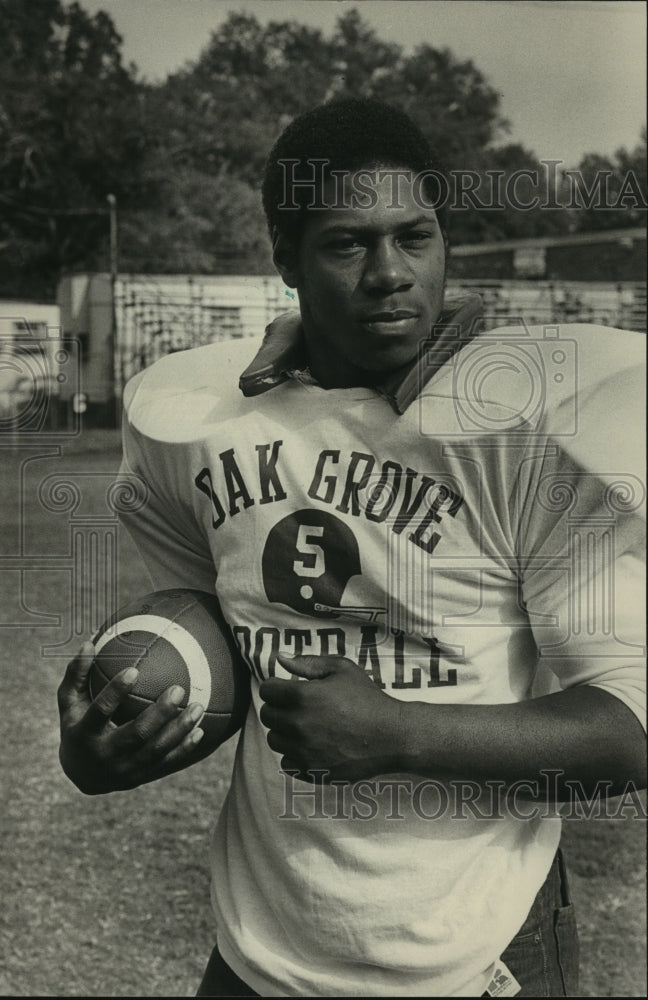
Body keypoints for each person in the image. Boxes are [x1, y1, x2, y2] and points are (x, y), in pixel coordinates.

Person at [57, 98, 646, 997]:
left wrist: (401, 732)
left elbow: (630, 733)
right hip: (259, 956)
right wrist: (118, 729)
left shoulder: (531, 437)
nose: (390, 274)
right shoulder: (201, 428)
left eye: (415, 236)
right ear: (284, 259)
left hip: (476, 957)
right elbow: (213, 626)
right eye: (346, 244)